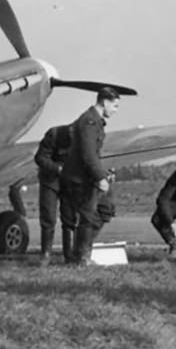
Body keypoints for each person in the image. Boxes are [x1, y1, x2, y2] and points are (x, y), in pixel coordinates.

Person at [59, 87, 122, 265]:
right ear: (105, 102)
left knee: (106, 208)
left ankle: (80, 252)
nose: (115, 111)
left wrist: (103, 174)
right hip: (80, 178)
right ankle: (81, 258)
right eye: (115, 106)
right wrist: (100, 177)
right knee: (87, 217)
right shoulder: (89, 122)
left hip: (87, 175)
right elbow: (88, 154)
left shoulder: (95, 121)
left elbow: (92, 154)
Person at [33, 124, 73, 263]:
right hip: (49, 180)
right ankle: (46, 254)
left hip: (69, 181)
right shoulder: (53, 134)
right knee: (48, 218)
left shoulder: (84, 138)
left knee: (69, 219)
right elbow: (39, 158)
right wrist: (58, 169)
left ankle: (69, 256)